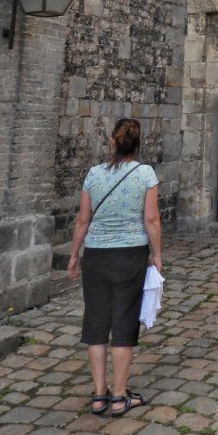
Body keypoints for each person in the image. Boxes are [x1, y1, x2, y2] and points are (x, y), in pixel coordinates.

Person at [67, 117, 162, 417]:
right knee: (123, 324)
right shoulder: (145, 174)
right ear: (137, 143)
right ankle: (119, 396)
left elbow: (83, 219)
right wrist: (157, 254)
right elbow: (151, 219)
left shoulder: (94, 174)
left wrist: (74, 255)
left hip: (96, 254)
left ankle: (98, 395)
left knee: (95, 324)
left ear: (112, 140)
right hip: (130, 255)